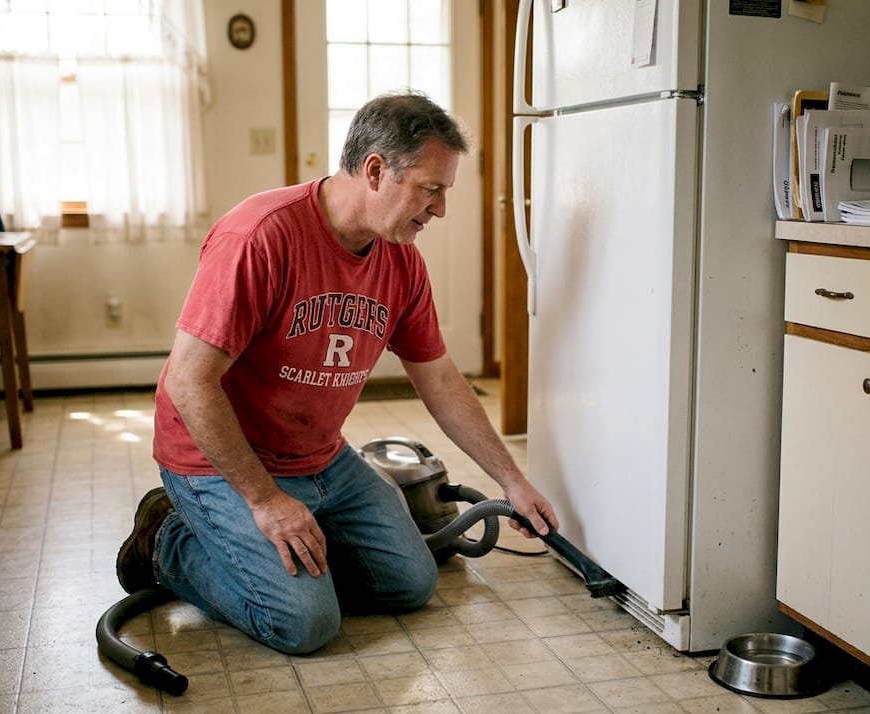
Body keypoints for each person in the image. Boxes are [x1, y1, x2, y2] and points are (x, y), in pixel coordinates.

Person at [117, 90, 560, 655]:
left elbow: (442, 381)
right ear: (376, 171)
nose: (441, 209)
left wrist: (511, 480)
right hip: (221, 464)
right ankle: (168, 539)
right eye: (432, 189)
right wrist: (266, 501)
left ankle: (288, 554)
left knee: (411, 582)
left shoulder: (401, 260)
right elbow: (188, 380)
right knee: (305, 624)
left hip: (321, 456)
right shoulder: (260, 237)